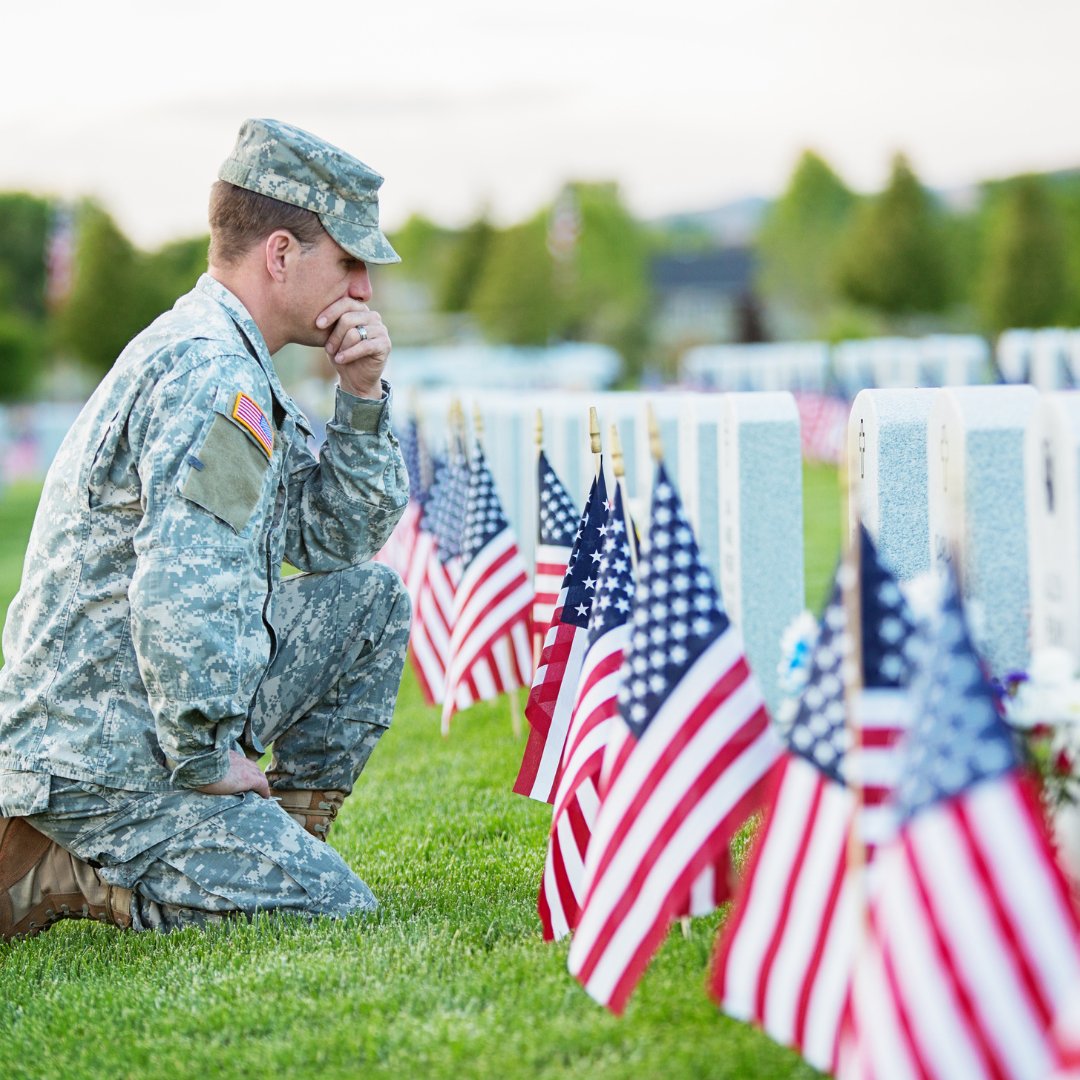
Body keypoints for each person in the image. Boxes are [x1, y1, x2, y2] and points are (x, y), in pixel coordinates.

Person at [0, 118, 412, 937]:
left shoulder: (227, 354)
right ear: (281, 254)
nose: (364, 289)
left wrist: (362, 397)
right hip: (101, 749)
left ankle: (271, 846)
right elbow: (182, 583)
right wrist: (202, 756)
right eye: (349, 261)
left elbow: (331, 541)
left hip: (136, 704)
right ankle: (66, 871)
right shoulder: (212, 373)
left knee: (369, 601)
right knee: (334, 908)